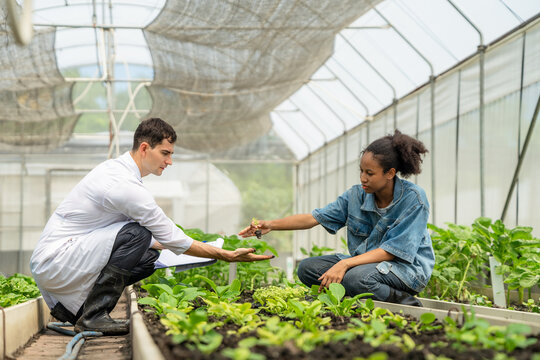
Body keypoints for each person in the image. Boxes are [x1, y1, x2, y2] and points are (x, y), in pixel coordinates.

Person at [30, 118, 273, 335]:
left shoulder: (121, 173)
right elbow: (168, 236)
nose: (170, 161)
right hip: (57, 261)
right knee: (139, 233)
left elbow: (155, 241)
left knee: (147, 258)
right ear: (145, 148)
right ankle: (93, 317)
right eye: (165, 153)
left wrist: (197, 249)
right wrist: (224, 255)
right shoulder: (123, 184)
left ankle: (82, 312)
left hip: (67, 260)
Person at [240, 130, 434, 307]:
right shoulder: (356, 196)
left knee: (355, 278)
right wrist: (270, 225)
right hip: (365, 266)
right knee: (307, 268)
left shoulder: (414, 199)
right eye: (361, 171)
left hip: (406, 271)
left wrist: (345, 264)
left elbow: (392, 251)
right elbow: (315, 217)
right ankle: (358, 292)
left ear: (390, 173)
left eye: (370, 173)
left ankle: (407, 302)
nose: (362, 178)